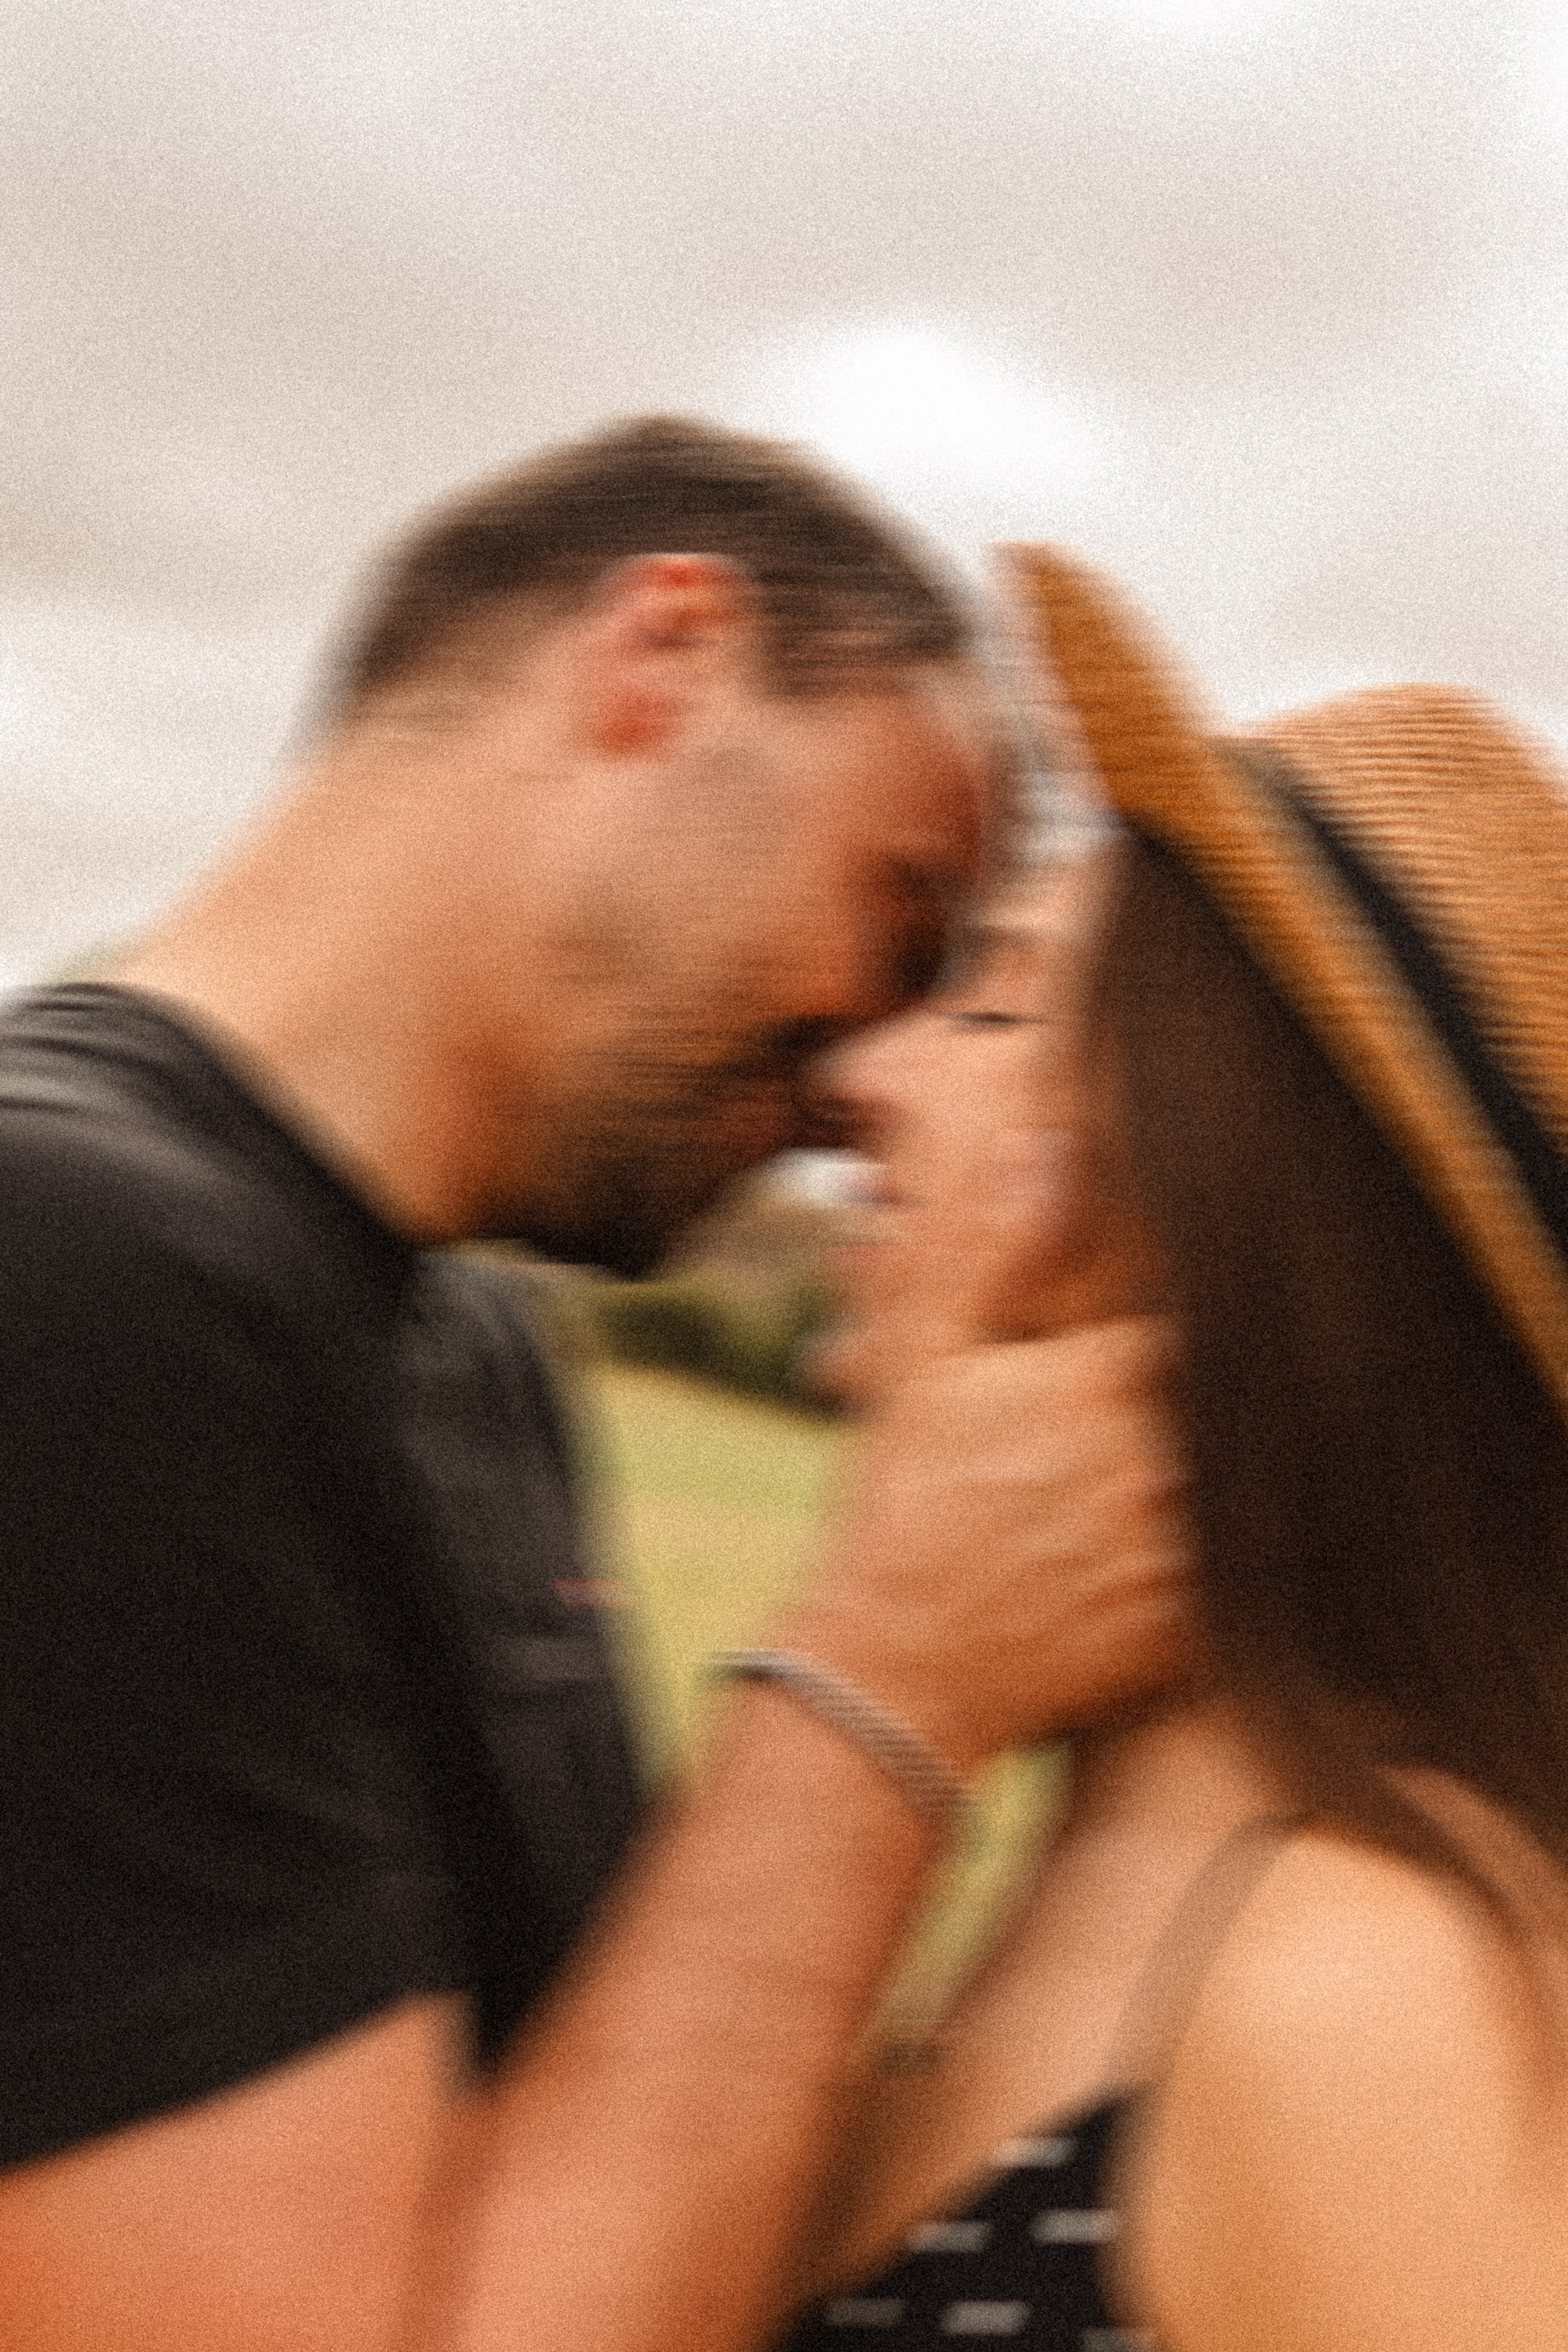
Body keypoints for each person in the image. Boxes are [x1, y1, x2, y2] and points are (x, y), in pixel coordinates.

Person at [0, 430, 1189, 2352]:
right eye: (902, 916)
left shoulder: (470, 1346)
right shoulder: (70, 1271)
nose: (859, 1085)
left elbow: (566, 2149)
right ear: (664, 654)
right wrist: (889, 1680)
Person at [777, 545, 1568, 2349]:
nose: (863, 1079)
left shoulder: (1386, 1998)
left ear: (1221, 1210)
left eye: (997, 1008)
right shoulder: (1050, 1890)